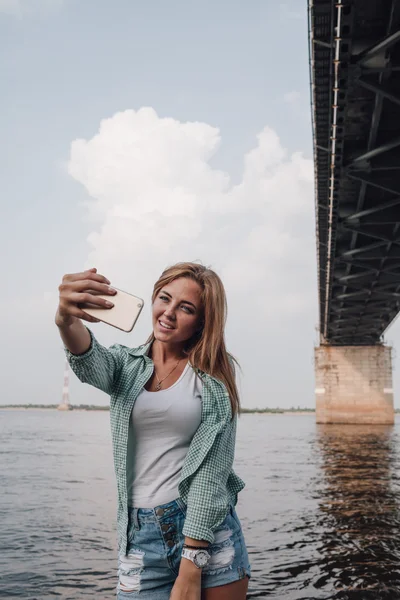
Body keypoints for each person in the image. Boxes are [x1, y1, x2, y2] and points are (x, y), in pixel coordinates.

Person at [55, 262, 251, 600]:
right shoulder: (123, 366)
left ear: (202, 320)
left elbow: (212, 472)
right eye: (164, 298)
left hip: (207, 529)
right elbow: (87, 357)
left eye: (186, 308)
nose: (169, 313)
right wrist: (66, 319)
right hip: (141, 533)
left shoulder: (214, 375)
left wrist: (192, 561)